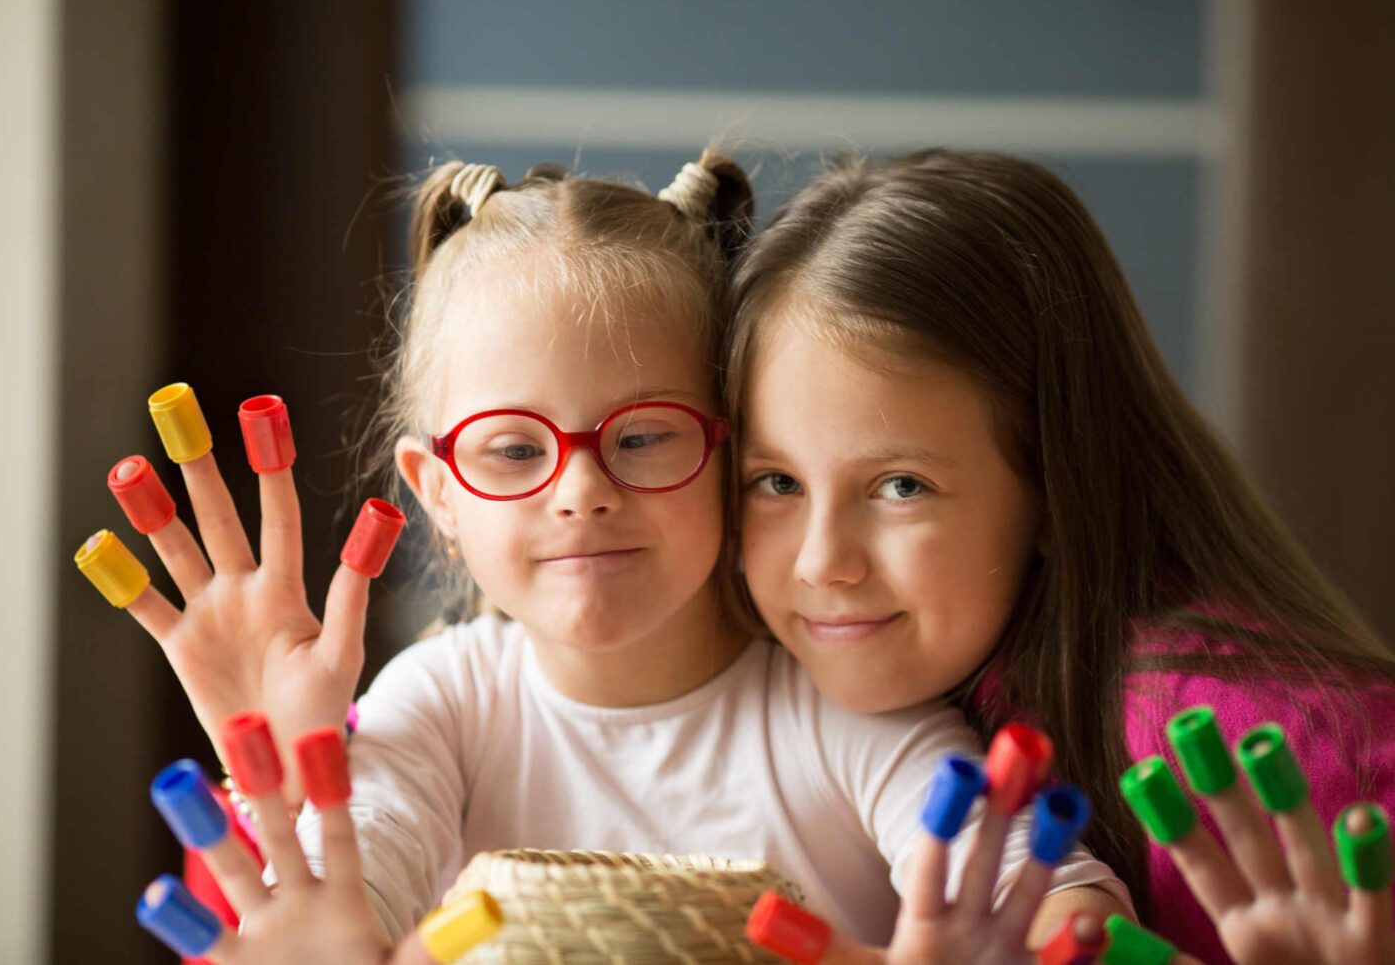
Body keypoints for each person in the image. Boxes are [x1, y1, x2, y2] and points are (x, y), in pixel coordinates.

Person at [79, 149, 1126, 950]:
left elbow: (1055, 892)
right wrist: (290, 786)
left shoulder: (845, 719)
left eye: (640, 438)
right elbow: (342, 897)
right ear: (435, 493)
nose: (581, 491)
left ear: (726, 452)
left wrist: (1034, 941)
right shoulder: (441, 705)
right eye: (510, 449)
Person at [725, 147, 1395, 963]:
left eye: (902, 486)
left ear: (1054, 485)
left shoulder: (1268, 752)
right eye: (776, 482)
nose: (822, 562)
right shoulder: (794, 687)